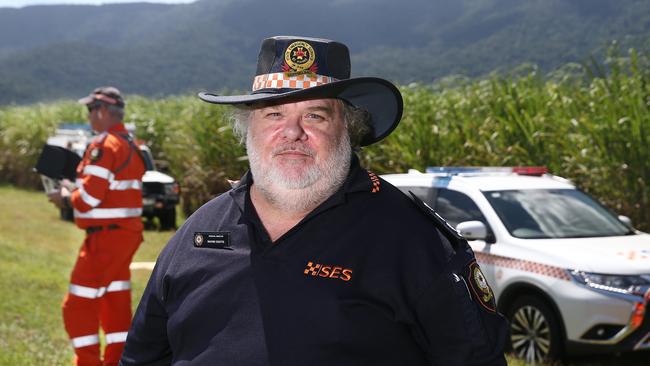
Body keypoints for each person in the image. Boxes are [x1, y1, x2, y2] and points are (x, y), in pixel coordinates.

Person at [120, 36, 508, 365]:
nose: (293, 132)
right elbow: (143, 357)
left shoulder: (414, 241)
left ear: (349, 129)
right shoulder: (199, 232)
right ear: (248, 130)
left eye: (316, 116)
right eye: (273, 114)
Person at [48, 86, 146, 366]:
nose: (89, 116)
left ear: (102, 111)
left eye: (90, 110)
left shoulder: (103, 145)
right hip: (124, 237)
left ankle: (88, 362)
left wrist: (66, 197)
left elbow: (89, 198)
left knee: (77, 305)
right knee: (114, 303)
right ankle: (118, 361)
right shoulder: (129, 143)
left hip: (104, 241)